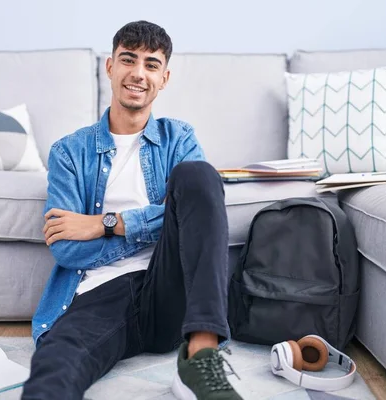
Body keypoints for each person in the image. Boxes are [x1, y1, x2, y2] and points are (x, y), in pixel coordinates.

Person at [21, 20, 243, 400]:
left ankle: (201, 356)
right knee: (56, 364)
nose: (138, 73)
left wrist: (108, 224)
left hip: (170, 288)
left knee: (199, 176)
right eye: (128, 59)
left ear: (164, 78)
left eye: (151, 64)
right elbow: (66, 247)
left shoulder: (179, 139)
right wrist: (155, 219)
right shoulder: (69, 152)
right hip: (100, 292)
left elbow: (199, 207)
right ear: (110, 67)